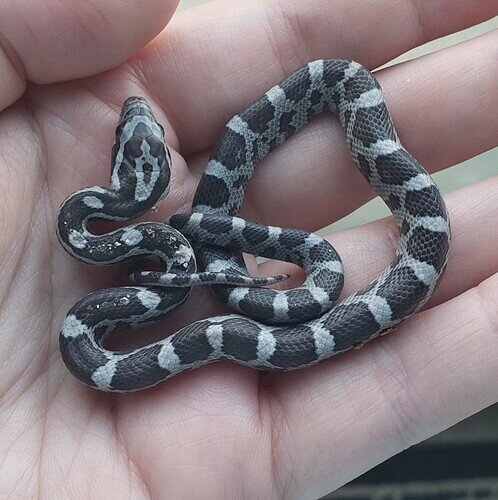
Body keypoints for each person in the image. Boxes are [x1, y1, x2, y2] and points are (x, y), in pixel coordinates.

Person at [0, 0, 496, 497]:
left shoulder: (108, 229)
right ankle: (259, 269)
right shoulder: (124, 263)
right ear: (120, 177)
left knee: (344, 82)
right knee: (219, 258)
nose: (136, 114)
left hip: (214, 252)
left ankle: (270, 268)